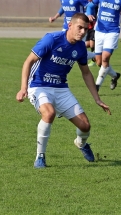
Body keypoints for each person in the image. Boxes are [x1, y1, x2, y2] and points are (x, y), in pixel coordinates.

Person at [16, 13, 111, 169]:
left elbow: (86, 73)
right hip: (39, 86)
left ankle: (81, 144)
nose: (82, 32)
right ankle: (40, 156)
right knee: (49, 113)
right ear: (70, 26)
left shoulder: (80, 47)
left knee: (85, 126)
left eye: (85, 30)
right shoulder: (51, 39)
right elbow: (28, 62)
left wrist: (97, 99)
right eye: (79, 28)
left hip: (61, 88)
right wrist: (23, 88)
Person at [86, 0, 121, 92]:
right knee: (100, 62)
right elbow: (90, 6)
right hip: (99, 30)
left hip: (113, 31)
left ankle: (97, 86)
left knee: (105, 58)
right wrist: (88, 13)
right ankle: (115, 75)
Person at [84, 0, 97, 67]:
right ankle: (98, 52)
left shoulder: (95, 3)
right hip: (85, 26)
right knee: (84, 44)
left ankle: (93, 60)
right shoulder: (83, 2)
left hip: (93, 26)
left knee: (92, 45)